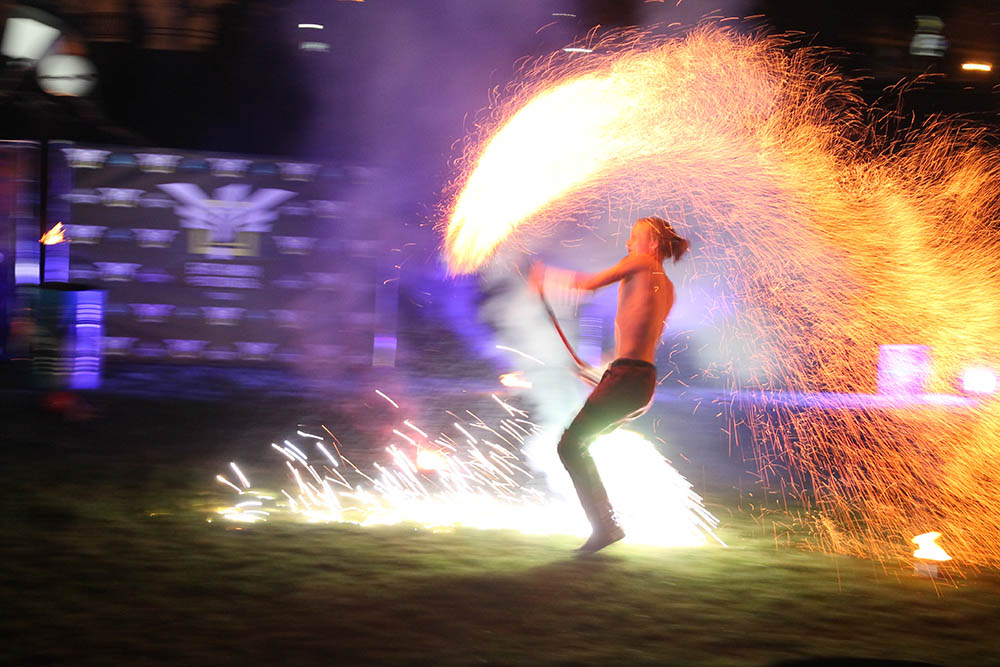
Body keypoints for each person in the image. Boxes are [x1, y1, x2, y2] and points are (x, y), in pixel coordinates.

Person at [530, 216, 690, 552]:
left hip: (628, 378)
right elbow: (640, 338)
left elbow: (587, 285)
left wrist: (546, 278)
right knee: (581, 443)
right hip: (641, 380)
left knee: (571, 446)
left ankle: (606, 526)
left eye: (634, 237)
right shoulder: (668, 288)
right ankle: (609, 522)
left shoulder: (641, 262)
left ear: (653, 245)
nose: (628, 244)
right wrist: (603, 372)